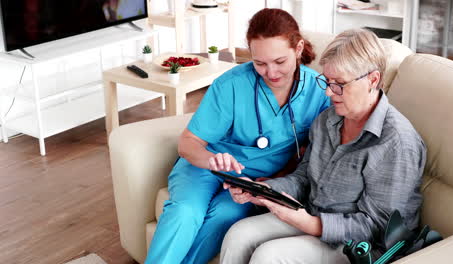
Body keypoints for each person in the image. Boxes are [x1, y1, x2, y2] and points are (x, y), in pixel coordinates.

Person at [220, 28, 427, 264]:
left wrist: (309, 223)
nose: (329, 92)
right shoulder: (328, 120)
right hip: (313, 215)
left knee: (269, 256)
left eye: (339, 84)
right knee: (239, 234)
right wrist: (264, 191)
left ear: (373, 79)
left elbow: (379, 226)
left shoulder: (396, 143)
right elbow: (304, 178)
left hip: (360, 246)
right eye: (327, 81)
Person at [144, 8, 330, 264]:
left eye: (280, 62)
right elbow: (188, 144)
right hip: (204, 166)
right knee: (186, 212)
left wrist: (274, 180)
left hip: (252, 183)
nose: (271, 73)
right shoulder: (231, 84)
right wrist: (213, 161)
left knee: (225, 215)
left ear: (298, 49)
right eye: (260, 63)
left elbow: (312, 151)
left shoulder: (319, 90)